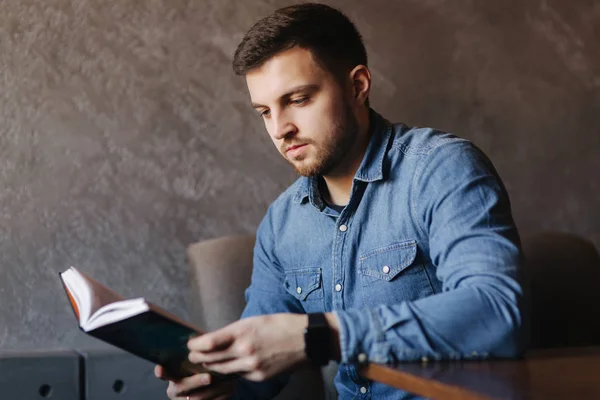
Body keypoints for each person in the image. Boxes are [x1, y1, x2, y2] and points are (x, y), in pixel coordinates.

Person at [155, 2, 526, 399]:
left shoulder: (440, 169)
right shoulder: (281, 224)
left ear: (357, 86)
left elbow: (498, 313)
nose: (280, 129)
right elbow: (257, 378)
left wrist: (321, 336)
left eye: (297, 99)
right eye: (264, 111)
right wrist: (219, 383)